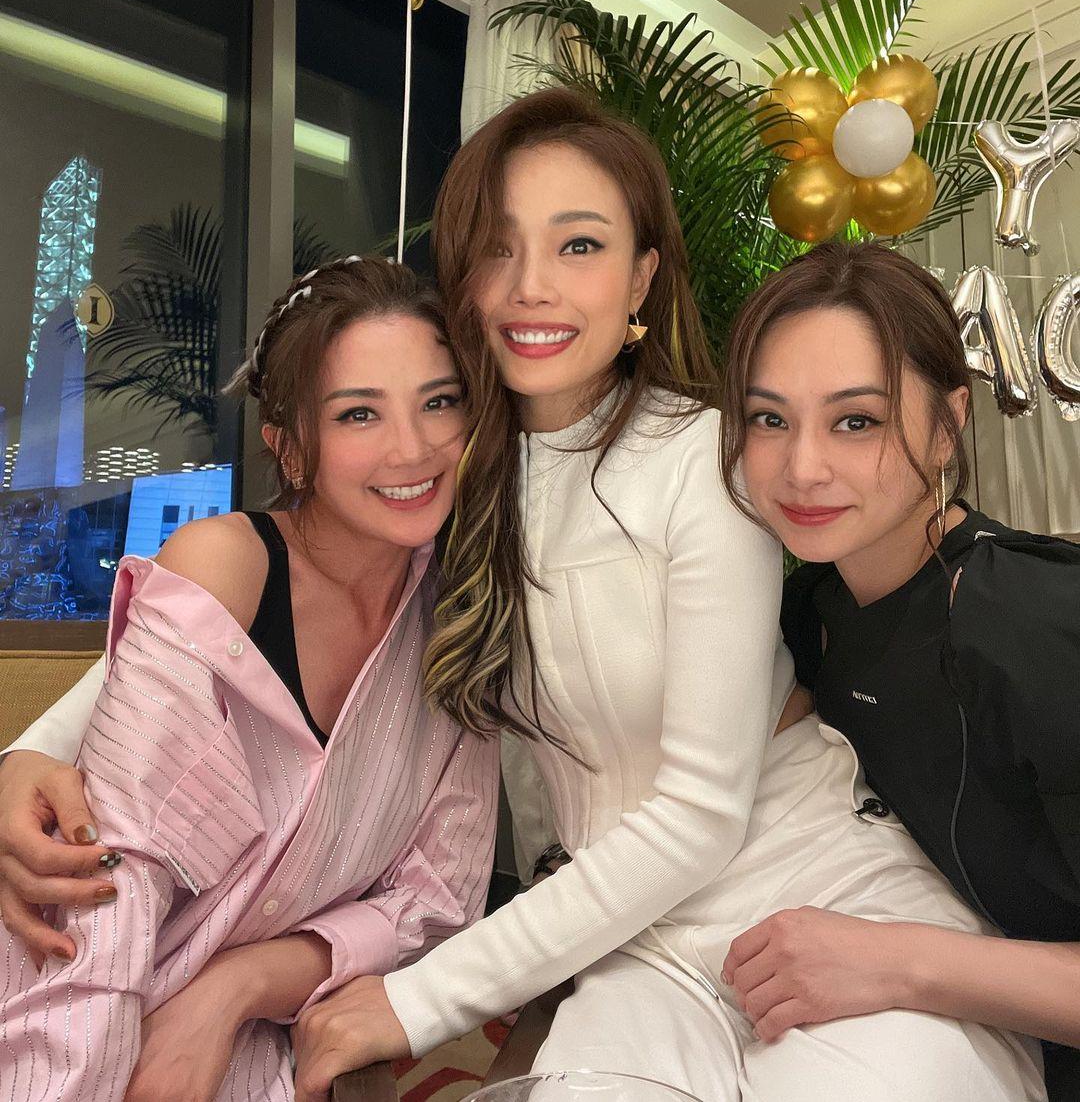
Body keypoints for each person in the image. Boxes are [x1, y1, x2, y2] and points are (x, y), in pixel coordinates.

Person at [288, 90, 1043, 1102]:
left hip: (823, 899)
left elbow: (698, 813)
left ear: (643, 275)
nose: (532, 287)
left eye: (580, 246)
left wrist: (421, 1000)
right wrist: (65, 760)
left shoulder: (709, 457)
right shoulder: (451, 475)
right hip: (637, 945)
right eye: (499, 248)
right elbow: (265, 592)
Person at [0, 257, 498, 1102]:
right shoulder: (224, 567)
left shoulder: (459, 618)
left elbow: (437, 900)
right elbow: (109, 887)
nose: (413, 448)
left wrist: (236, 988)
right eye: (359, 413)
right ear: (291, 449)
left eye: (439, 402)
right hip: (54, 1007)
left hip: (246, 1039)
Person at [714, 240, 1080, 1101]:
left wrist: (894, 960)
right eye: (769, 419)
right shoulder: (807, 614)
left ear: (947, 425)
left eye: (857, 421)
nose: (802, 468)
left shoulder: (1032, 621)